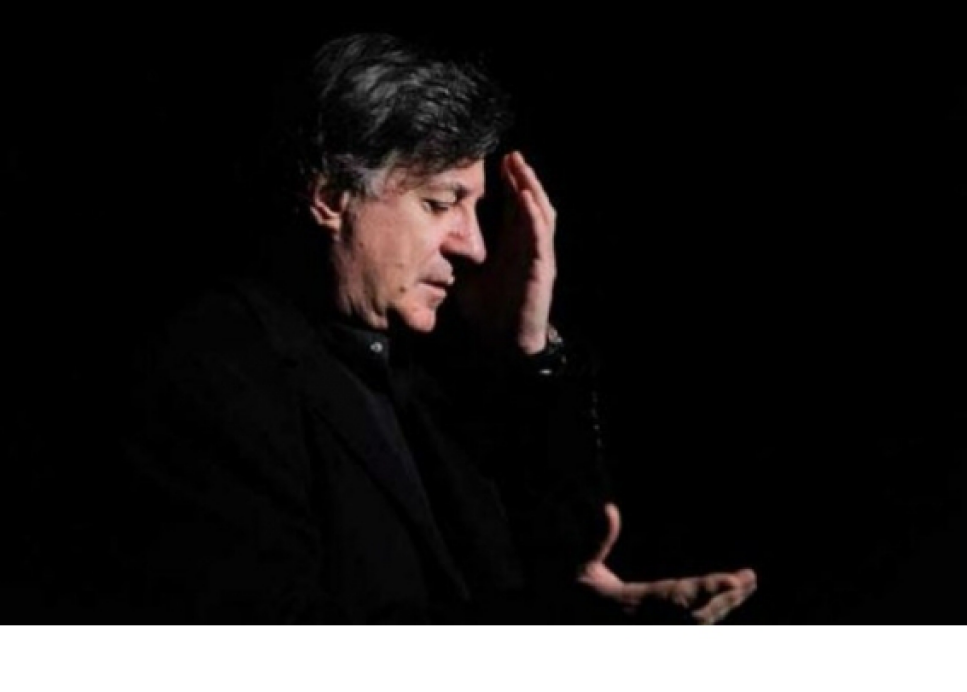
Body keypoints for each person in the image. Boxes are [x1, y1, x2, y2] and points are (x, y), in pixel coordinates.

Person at [110, 32, 757, 622]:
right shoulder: (211, 372)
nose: (475, 246)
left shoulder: (439, 369)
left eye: (475, 208)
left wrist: (531, 349)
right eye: (441, 203)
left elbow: (565, 557)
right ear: (331, 198)